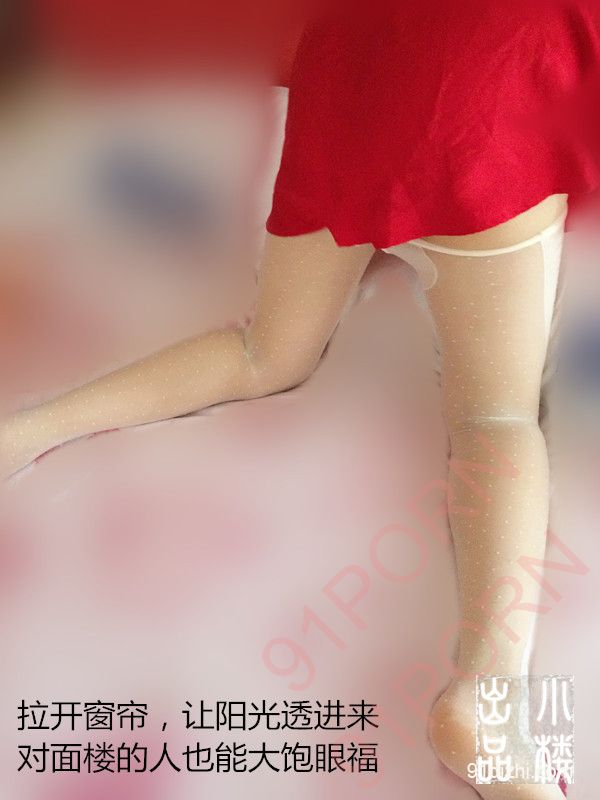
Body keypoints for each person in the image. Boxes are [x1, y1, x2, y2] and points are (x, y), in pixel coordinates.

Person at [2, 3, 599, 797]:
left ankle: (25, 430)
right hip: (490, 87)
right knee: (496, 417)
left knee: (266, 353)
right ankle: (487, 697)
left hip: (354, 75)